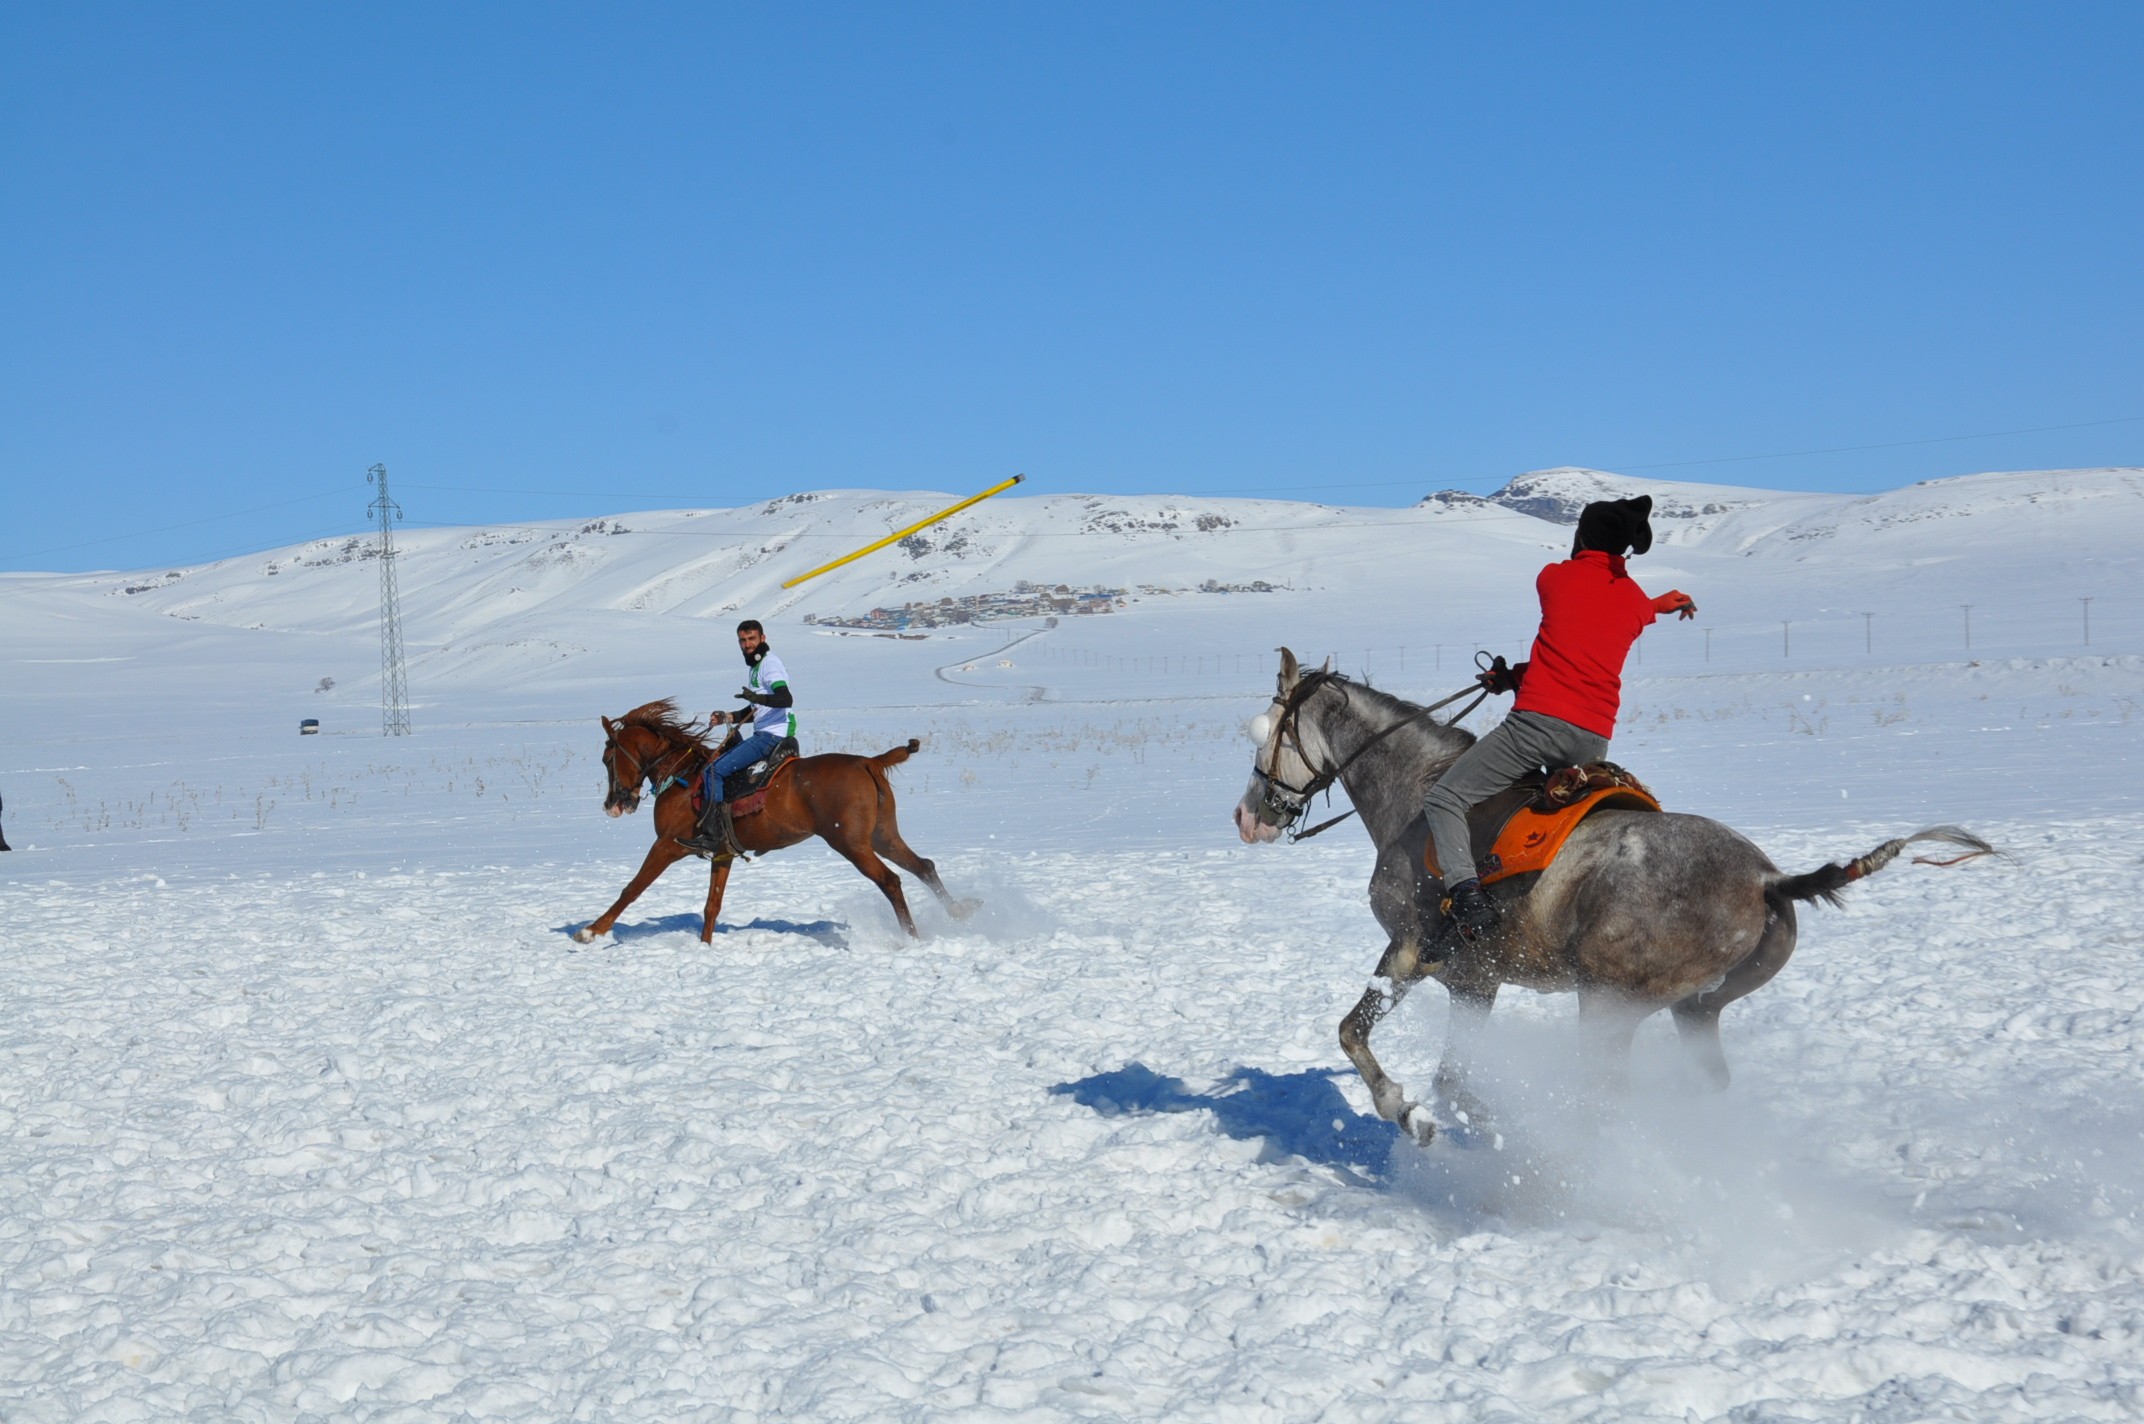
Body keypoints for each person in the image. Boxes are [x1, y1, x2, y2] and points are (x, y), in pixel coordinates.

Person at [1423, 494, 1696, 945]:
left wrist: (1512, 682)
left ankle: (1468, 898)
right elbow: (1586, 641)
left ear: (1581, 536)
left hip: (1535, 728)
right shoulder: (1634, 604)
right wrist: (1512, 678)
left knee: (1446, 798)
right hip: (1593, 742)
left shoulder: (1553, 578)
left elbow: (1573, 624)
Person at [679, 620, 796, 855]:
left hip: (771, 737)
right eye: (743, 640)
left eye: (752, 639)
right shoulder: (756, 666)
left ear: (763, 638)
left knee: (713, 772)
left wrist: (758, 699)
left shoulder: (769, 665)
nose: (747, 644)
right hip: (768, 732)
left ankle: (712, 836)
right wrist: (727, 717)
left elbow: (785, 699)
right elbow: (757, 711)